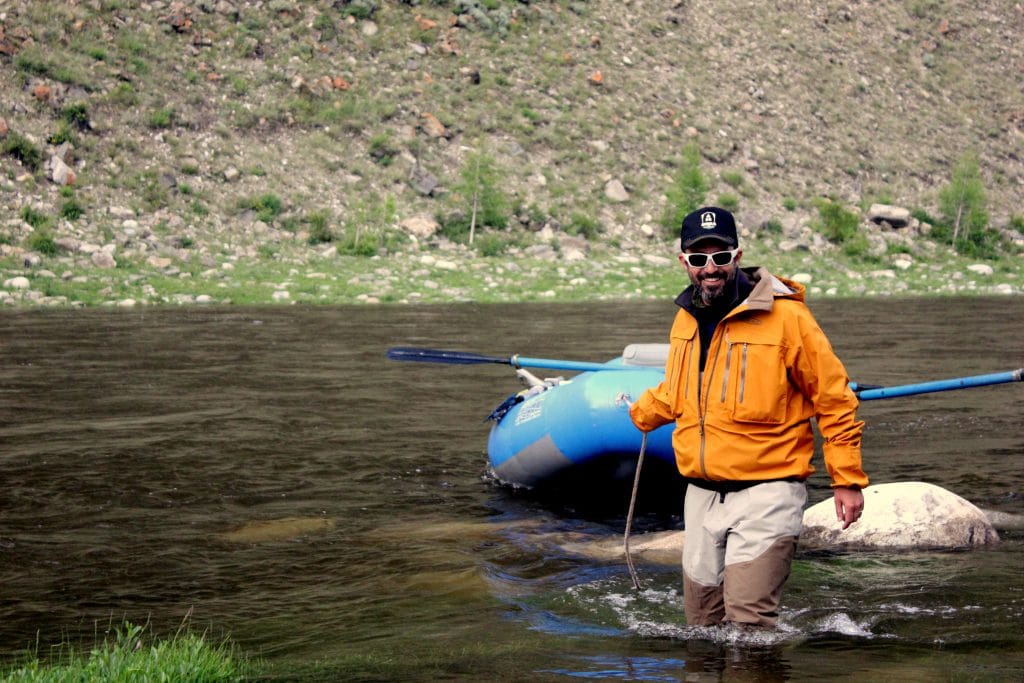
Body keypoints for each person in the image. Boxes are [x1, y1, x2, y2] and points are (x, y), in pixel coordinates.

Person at [628, 206, 868, 628]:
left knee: (750, 624)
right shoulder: (684, 318)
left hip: (768, 490)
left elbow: (833, 398)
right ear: (685, 262)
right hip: (701, 495)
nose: (711, 268)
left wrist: (846, 480)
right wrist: (643, 412)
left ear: (737, 257)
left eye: (720, 256)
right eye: (699, 259)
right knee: (701, 624)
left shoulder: (788, 317)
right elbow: (682, 388)